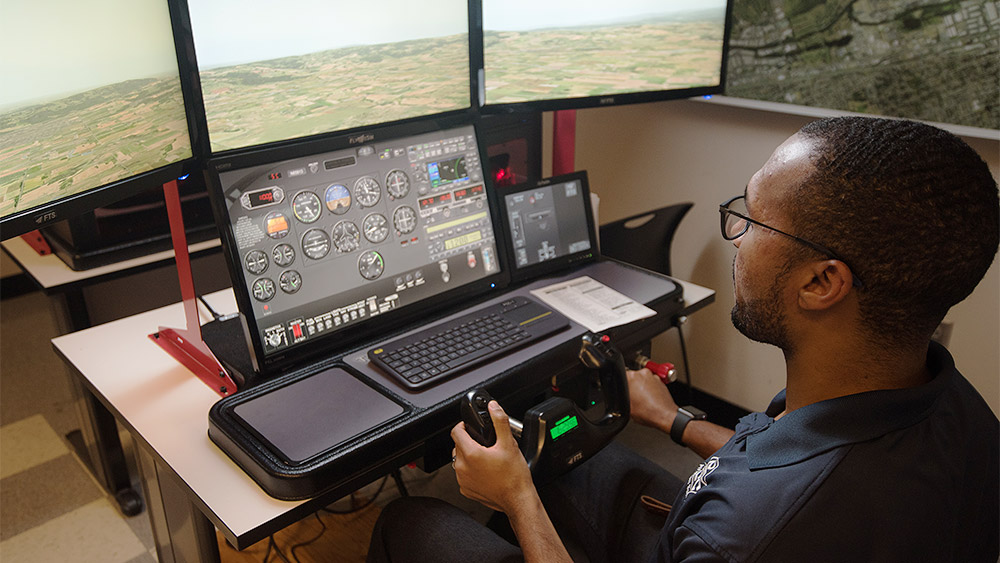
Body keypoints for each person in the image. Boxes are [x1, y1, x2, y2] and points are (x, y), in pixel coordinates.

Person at [366, 116, 1000, 562]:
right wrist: (673, 422)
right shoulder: (955, 408)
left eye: (749, 219)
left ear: (821, 282)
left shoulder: (746, 537)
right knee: (582, 461)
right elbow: (775, 458)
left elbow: (764, 511)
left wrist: (516, 499)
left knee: (413, 520)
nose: (736, 238)